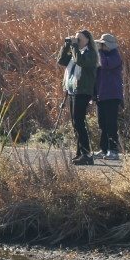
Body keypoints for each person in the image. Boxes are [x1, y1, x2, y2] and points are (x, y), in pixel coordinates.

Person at [57, 29, 100, 165]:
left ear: (88, 40)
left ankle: (86, 154)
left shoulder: (90, 54)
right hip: (73, 90)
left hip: (83, 91)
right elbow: (62, 61)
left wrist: (74, 46)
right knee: (76, 123)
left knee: (79, 122)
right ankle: (80, 152)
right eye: (76, 39)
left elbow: (80, 62)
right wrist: (67, 46)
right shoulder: (76, 51)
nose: (78, 41)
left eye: (80, 39)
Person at [93, 33, 123, 161]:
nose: (100, 46)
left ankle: (113, 150)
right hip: (101, 95)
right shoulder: (103, 55)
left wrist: (98, 51)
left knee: (111, 124)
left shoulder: (115, 56)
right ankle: (104, 149)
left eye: (102, 44)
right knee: (102, 123)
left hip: (112, 95)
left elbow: (105, 64)